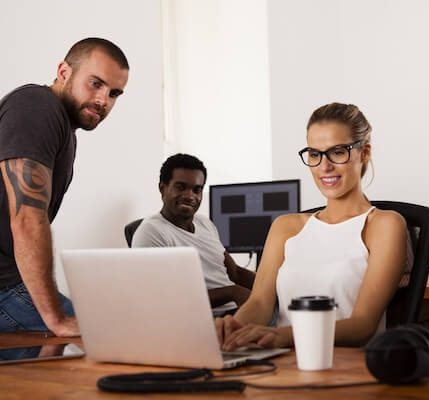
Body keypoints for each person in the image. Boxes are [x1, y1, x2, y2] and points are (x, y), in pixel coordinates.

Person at [216, 102, 413, 350]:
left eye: (338, 151)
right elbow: (259, 304)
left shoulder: (384, 225)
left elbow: (363, 325)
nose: (324, 166)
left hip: (346, 369)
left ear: (364, 153)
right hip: (279, 363)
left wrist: (286, 336)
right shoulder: (285, 227)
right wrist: (232, 330)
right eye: (314, 154)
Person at [0, 38, 129, 337]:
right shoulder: (36, 108)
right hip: (4, 287)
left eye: (114, 93)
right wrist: (55, 318)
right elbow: (28, 220)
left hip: (10, 282)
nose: (103, 100)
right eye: (95, 83)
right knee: (113, 338)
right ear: (63, 72)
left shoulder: (61, 125)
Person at [132, 153, 255, 316]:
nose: (190, 196)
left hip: (238, 310)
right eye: (181, 187)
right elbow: (164, 298)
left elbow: (235, 273)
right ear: (163, 188)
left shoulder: (205, 223)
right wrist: (231, 292)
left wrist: (272, 285)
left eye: (197, 189)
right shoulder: (151, 232)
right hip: (205, 318)